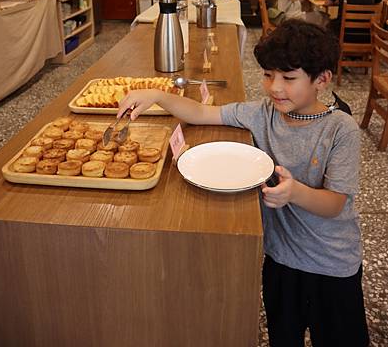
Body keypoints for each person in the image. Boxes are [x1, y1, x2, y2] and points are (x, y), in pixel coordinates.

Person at [118, 19, 369, 347]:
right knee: (283, 336)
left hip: (331, 265)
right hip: (280, 259)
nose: (275, 88)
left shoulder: (341, 130)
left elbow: (335, 203)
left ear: (322, 79)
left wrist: (295, 192)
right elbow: (201, 113)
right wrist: (157, 95)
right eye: (268, 75)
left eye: (289, 78)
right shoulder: (263, 113)